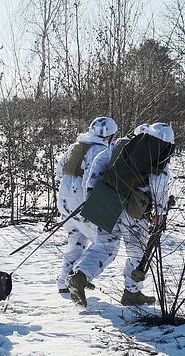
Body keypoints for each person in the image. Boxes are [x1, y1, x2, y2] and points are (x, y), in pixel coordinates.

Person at [68, 122, 175, 307]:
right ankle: (131, 293)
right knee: (137, 251)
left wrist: (92, 191)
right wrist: (160, 212)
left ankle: (80, 276)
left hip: (108, 197)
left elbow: (99, 162)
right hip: (134, 209)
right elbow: (160, 184)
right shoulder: (158, 154)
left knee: (105, 246)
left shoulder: (122, 144)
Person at [55, 116, 118, 293]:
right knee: (107, 244)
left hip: (65, 204)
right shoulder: (100, 151)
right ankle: (80, 276)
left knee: (77, 239)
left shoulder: (76, 146)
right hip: (81, 204)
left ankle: (65, 281)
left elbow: (59, 172)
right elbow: (90, 181)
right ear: (109, 136)